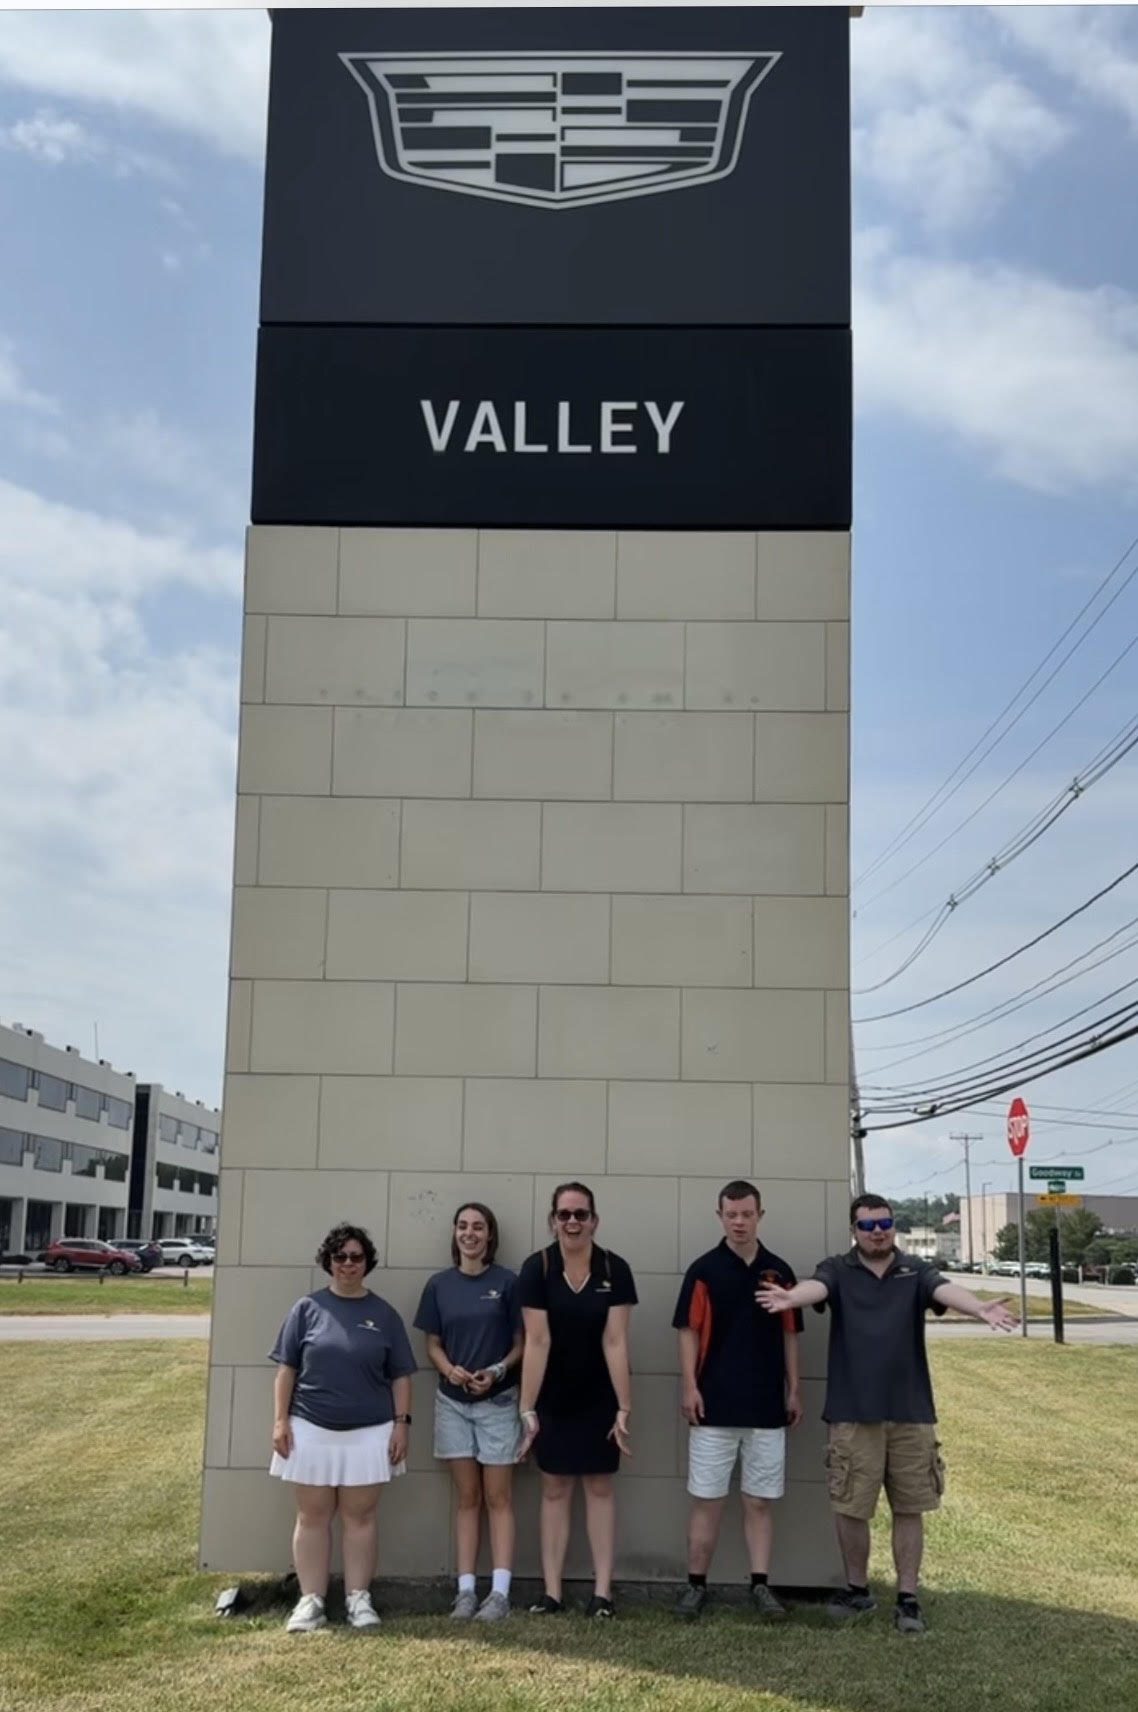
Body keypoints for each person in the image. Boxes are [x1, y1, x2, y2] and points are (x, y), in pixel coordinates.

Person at [756, 1192, 1017, 1635]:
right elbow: (816, 1288)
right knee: (852, 1507)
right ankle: (858, 1591)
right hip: (853, 1412)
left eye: (885, 1224)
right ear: (853, 1231)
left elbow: (944, 1290)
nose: (878, 1232)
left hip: (911, 1413)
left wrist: (978, 1306)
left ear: (893, 1226)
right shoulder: (839, 1269)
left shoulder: (914, 1270)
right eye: (868, 1226)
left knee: (910, 1506)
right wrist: (790, 1298)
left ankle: (908, 1598)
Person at [269, 1222, 416, 1633]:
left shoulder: (384, 1315)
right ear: (328, 1261)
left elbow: (401, 1375)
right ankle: (310, 1601)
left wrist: (401, 1425)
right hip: (310, 1428)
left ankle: (358, 1599)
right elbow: (287, 1369)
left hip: (370, 1431)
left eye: (356, 1257)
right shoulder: (306, 1309)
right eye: (340, 1257)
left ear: (367, 1262)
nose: (348, 1264)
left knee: (361, 1517)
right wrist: (281, 1420)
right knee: (312, 1516)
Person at [671, 1180, 803, 1621]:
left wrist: (794, 1387)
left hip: (766, 1408)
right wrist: (689, 1385)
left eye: (747, 1214)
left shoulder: (779, 1272)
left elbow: (789, 1334)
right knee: (707, 1500)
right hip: (714, 1408)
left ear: (760, 1215)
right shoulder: (704, 1270)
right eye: (732, 1214)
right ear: (720, 1216)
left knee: (759, 1501)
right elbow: (687, 1331)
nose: (740, 1222)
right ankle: (695, 1587)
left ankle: (761, 1587)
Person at [515, 1181, 637, 1618]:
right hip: (554, 1396)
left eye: (580, 1214)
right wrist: (527, 1409)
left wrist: (624, 1407)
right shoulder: (537, 1268)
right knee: (555, 1488)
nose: (572, 1222)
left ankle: (602, 1594)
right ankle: (552, 1594)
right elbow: (537, 1341)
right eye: (564, 1214)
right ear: (553, 1220)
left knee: (601, 1487)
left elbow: (616, 1341)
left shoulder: (614, 1268)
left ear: (594, 1220)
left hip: (600, 1396)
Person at [414, 1201, 523, 1622]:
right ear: (455, 1233)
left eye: (478, 1227)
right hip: (452, 1403)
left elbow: (521, 1343)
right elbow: (432, 1344)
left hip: (498, 1403)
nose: (470, 1233)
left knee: (498, 1497)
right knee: (467, 1498)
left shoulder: (508, 1283)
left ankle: (499, 1594)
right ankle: (465, 1591)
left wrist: (497, 1370)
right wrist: (449, 1371)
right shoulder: (438, 1285)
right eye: (463, 1226)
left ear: (490, 1235)